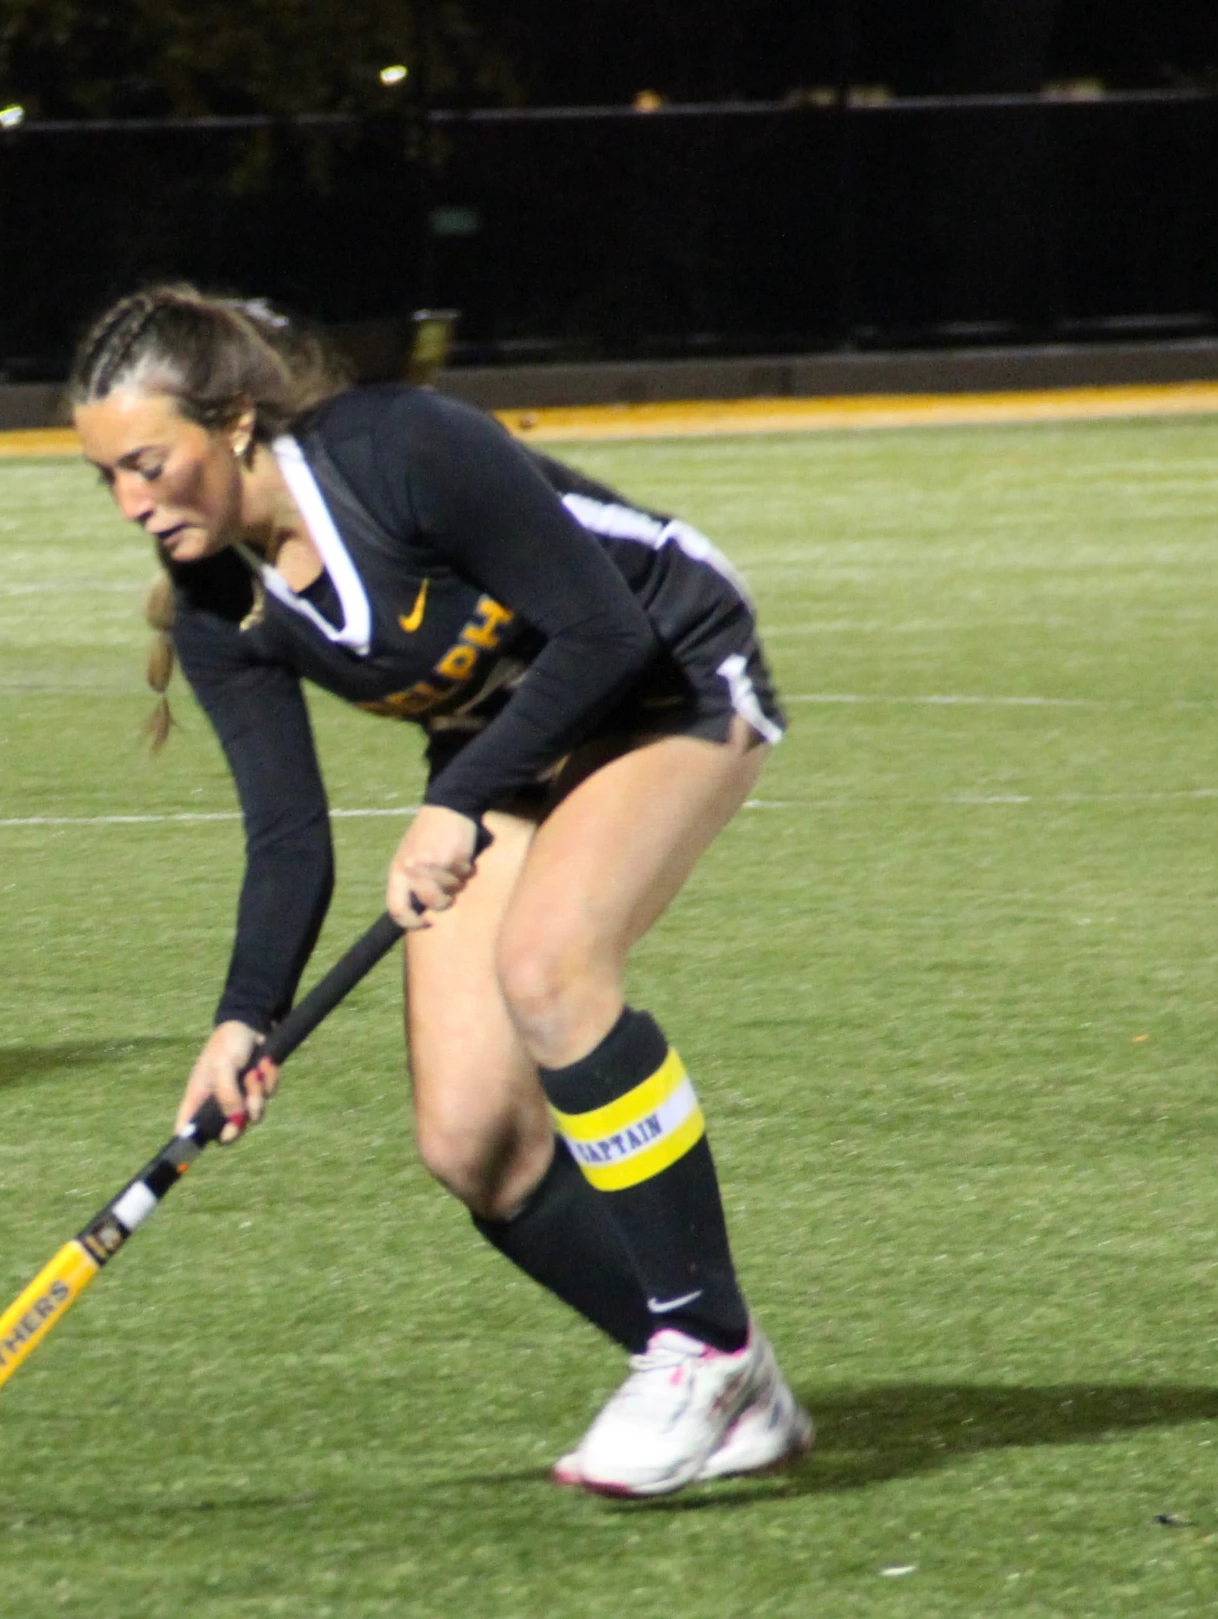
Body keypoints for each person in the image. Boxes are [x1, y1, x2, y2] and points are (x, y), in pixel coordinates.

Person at [70, 286, 813, 1498]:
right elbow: (287, 837)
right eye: (105, 477)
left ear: (237, 423)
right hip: (513, 747)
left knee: (549, 967)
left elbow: (601, 631)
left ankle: (702, 1349)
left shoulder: (397, 449)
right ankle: (737, 1386)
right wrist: (241, 1019)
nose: (131, 503)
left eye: (148, 464)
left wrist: (458, 796)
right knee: (475, 1141)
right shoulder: (221, 604)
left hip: (669, 664)